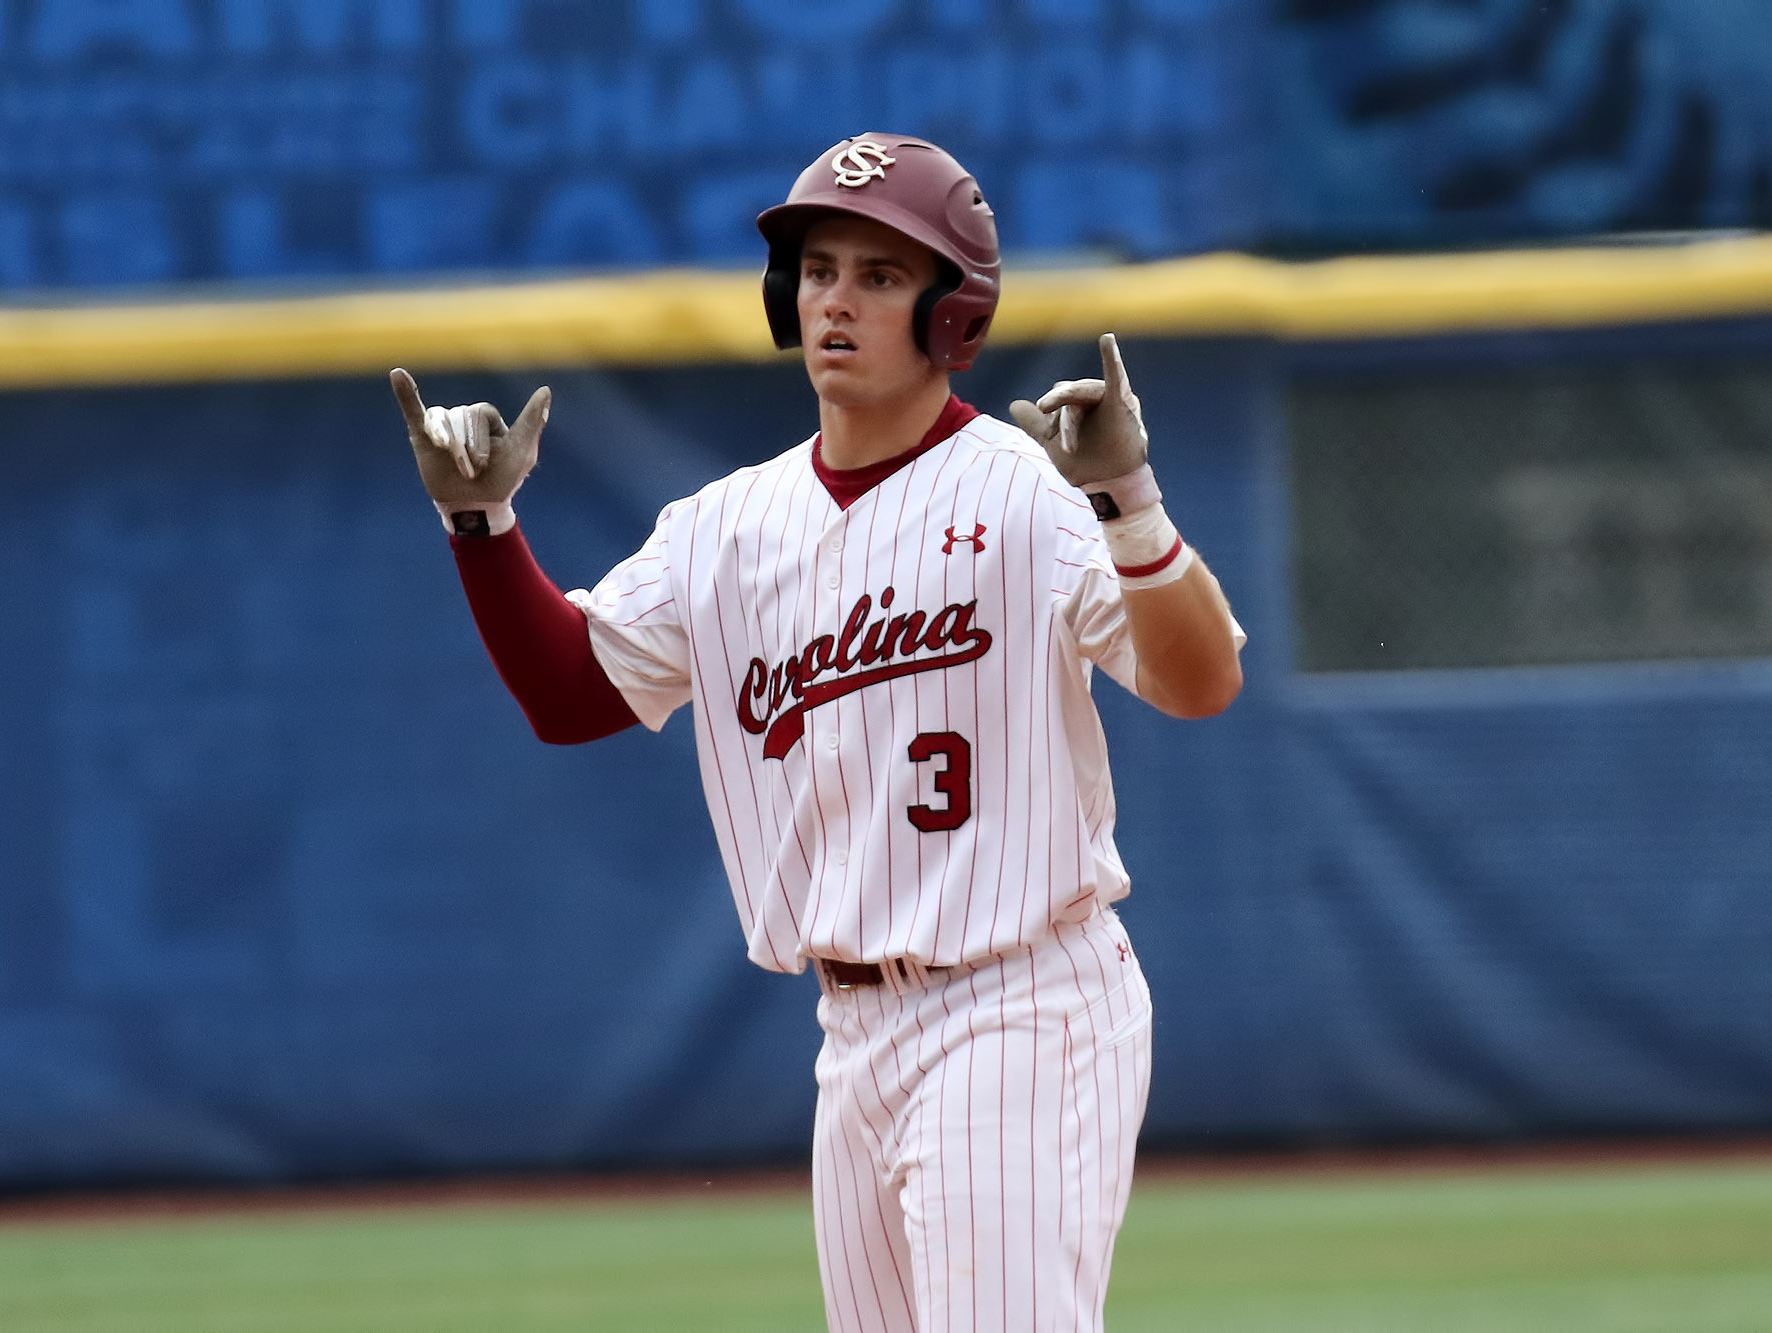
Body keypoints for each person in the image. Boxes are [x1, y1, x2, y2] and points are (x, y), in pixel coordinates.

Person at [392, 133, 1244, 1333]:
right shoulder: (721, 527)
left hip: (1021, 1001)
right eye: (817, 267)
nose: (835, 298)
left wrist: (1130, 503)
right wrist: (482, 527)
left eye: (881, 276)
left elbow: (1199, 682)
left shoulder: (1023, 492)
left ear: (953, 314)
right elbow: (571, 696)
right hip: (851, 1032)